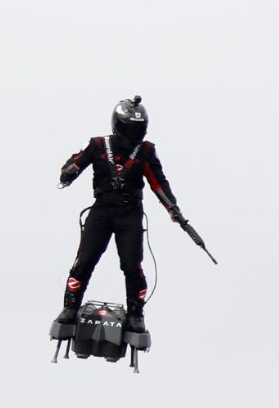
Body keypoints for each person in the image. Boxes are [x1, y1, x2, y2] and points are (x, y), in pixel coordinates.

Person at [51, 96, 194, 340]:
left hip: (130, 213)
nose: (133, 134)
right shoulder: (97, 144)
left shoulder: (146, 151)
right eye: (129, 129)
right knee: (84, 260)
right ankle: (71, 306)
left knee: (132, 264)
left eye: (138, 129)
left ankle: (136, 313)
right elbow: (76, 162)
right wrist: (68, 174)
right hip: (102, 209)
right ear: (117, 125)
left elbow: (158, 183)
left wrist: (173, 209)